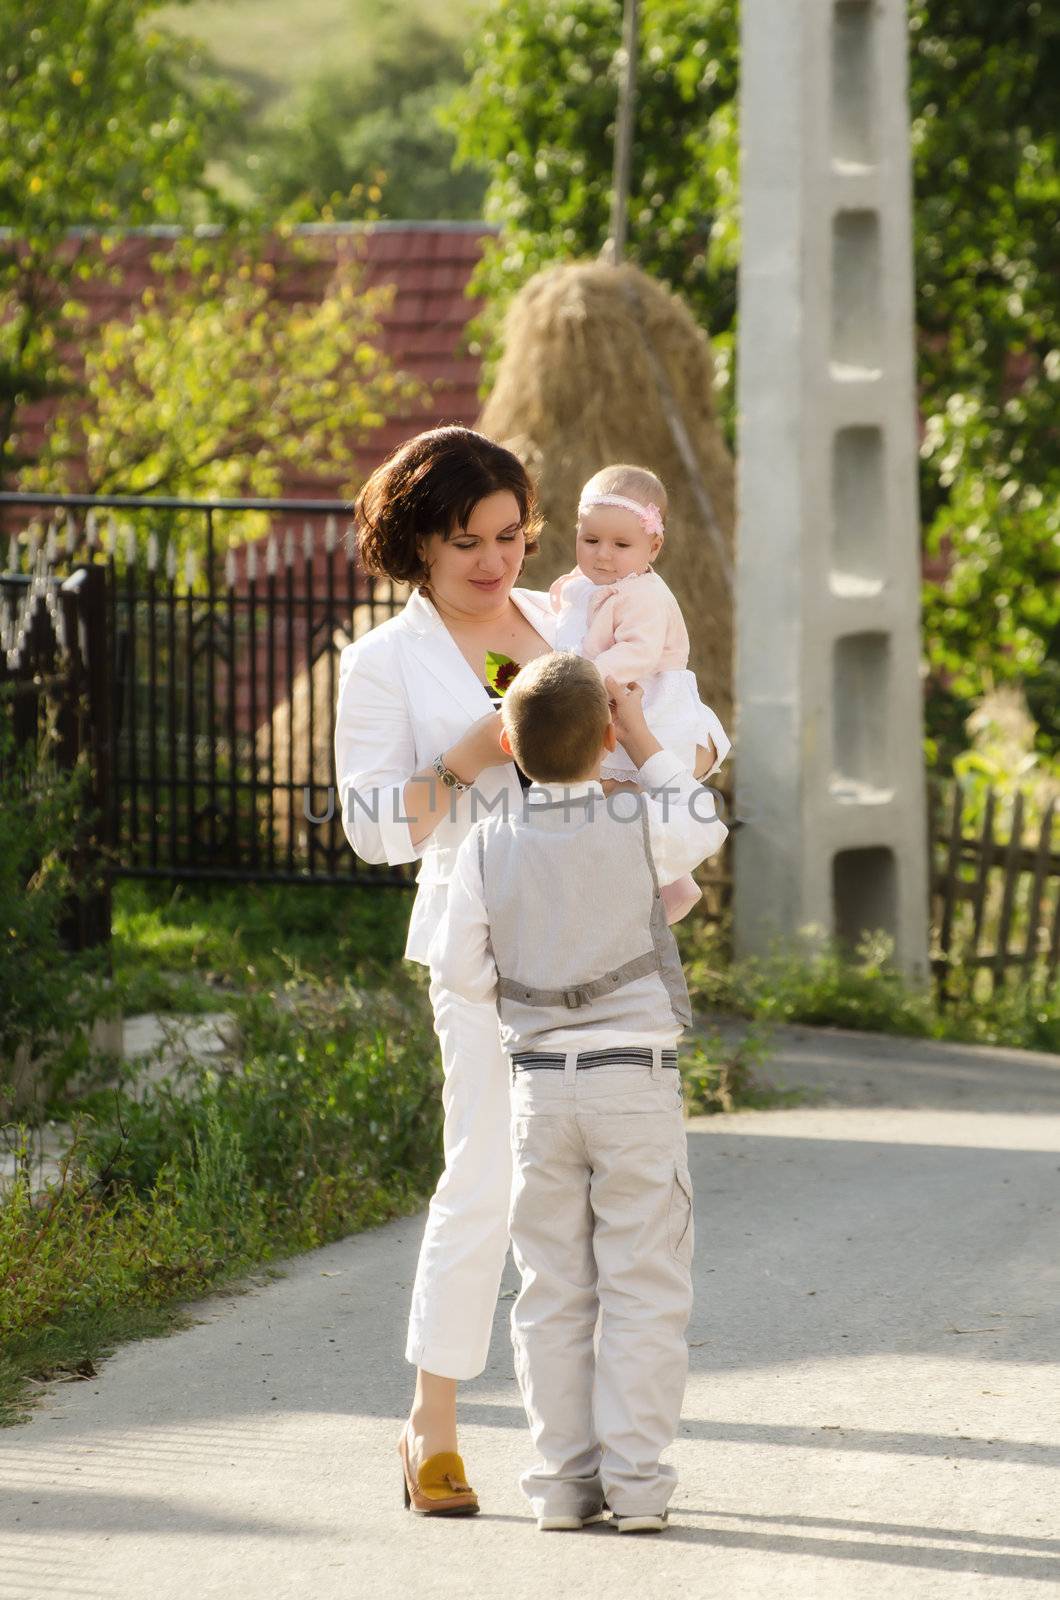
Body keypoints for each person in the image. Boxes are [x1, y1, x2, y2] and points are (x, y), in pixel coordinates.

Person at [333, 425, 726, 1516]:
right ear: (416, 542)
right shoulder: (381, 663)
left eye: (511, 535)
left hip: (602, 939)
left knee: (607, 1214)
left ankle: (596, 1457)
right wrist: (474, 748)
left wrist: (681, 756)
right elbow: (373, 828)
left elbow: (682, 711)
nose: (495, 560)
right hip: (480, 948)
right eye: (467, 540)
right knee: (488, 1176)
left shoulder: (569, 614)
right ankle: (434, 1424)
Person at [427, 652, 728, 1531]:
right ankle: (637, 1485)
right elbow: (702, 820)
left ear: (510, 744)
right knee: (642, 1283)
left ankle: (561, 1485)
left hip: (538, 1093)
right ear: (604, 738)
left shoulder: (487, 842)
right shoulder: (639, 822)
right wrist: (642, 731)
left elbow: (458, 968)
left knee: (553, 1288)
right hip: (632, 1084)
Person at [549, 462, 730, 923]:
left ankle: (672, 884)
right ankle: (673, 884)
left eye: (621, 544)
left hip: (649, 703)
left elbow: (639, 652)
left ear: (654, 545)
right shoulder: (585, 586)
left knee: (639, 793)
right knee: (619, 801)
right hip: (613, 698)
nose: (603, 555)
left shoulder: (644, 594)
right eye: (591, 541)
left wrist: (579, 676)